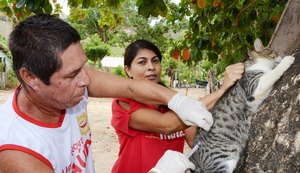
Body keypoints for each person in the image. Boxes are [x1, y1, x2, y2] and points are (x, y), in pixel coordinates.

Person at [0, 14, 215, 173]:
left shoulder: (70, 86)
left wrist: (177, 100)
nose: (86, 80)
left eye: (83, 67)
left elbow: (131, 87)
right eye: (72, 74)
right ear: (30, 77)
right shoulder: (18, 152)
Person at [111, 40, 244, 173]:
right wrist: (222, 91)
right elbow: (165, 125)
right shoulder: (123, 104)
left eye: (155, 61)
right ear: (128, 70)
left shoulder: (172, 102)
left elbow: (194, 141)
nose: (151, 67)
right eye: (142, 62)